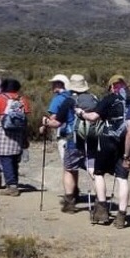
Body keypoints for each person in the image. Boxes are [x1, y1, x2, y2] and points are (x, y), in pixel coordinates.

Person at [77, 74, 130, 228]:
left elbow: (93, 117)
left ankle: (102, 211)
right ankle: (121, 217)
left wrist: (81, 113)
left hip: (107, 141)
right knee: (123, 179)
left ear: (111, 86)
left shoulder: (109, 99)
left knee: (99, 173)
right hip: (126, 142)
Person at [41, 73, 84, 213]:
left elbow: (54, 117)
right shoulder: (85, 98)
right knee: (75, 167)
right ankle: (75, 192)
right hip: (83, 136)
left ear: (61, 84)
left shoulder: (60, 99)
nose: (52, 85)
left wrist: (45, 124)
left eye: (55, 83)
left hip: (67, 135)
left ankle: (69, 198)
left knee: (67, 168)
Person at [0, 77, 31, 196]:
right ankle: (14, 183)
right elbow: (26, 119)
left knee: (5, 158)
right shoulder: (22, 99)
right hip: (18, 132)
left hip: (3, 131)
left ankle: (11, 186)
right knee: (14, 159)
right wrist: (25, 136)